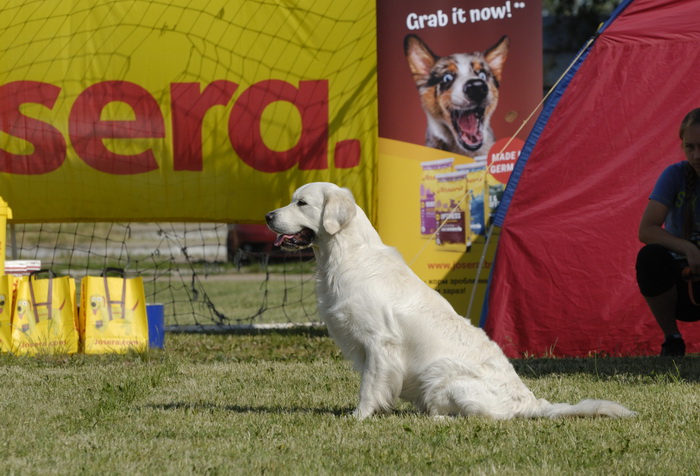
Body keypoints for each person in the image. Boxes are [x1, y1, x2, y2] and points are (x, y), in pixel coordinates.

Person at [637, 108, 700, 357]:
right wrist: (689, 249)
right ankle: (672, 340)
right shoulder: (674, 175)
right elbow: (646, 230)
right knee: (649, 256)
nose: (696, 155)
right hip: (681, 285)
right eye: (689, 147)